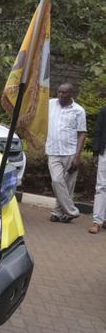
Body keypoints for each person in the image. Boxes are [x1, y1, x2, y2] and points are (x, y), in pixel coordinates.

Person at [46, 83, 87, 224]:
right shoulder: (50, 104)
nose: (61, 95)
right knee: (57, 181)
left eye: (64, 93)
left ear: (71, 94)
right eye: (59, 92)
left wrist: (77, 156)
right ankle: (72, 211)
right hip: (53, 150)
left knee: (67, 185)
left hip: (70, 152)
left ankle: (57, 213)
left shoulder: (78, 110)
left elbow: (82, 134)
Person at [90, 105, 106, 233]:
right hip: (104, 152)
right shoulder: (104, 109)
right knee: (101, 186)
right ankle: (97, 221)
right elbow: (98, 131)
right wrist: (95, 152)